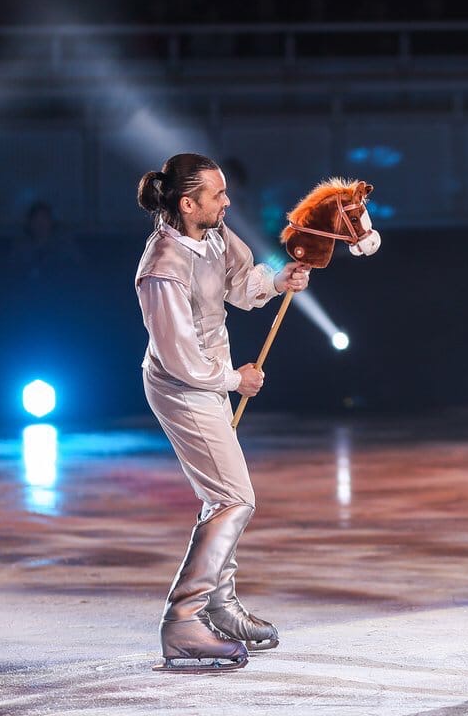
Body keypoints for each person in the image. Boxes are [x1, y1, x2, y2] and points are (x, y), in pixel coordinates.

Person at [135, 153, 310, 671]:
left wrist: (278, 282)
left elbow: (240, 284)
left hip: (206, 378)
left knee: (222, 495)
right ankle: (184, 620)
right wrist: (236, 380)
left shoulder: (213, 236)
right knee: (234, 498)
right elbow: (179, 356)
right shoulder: (162, 268)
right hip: (180, 386)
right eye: (216, 195)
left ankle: (220, 606)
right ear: (188, 204)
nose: (227, 201)